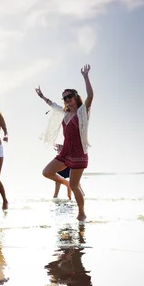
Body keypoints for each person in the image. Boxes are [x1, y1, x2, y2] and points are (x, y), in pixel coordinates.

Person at [36, 64, 94, 222]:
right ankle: (65, 184)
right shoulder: (65, 113)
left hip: (79, 154)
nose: (67, 100)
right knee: (46, 172)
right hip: (66, 152)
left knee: (75, 186)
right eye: (65, 98)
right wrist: (42, 96)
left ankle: (82, 213)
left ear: (75, 97)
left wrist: (85, 76)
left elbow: (90, 96)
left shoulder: (82, 112)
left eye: (70, 96)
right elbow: (53, 105)